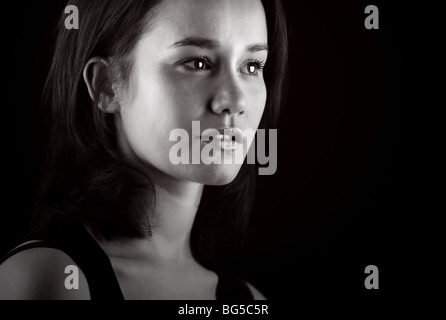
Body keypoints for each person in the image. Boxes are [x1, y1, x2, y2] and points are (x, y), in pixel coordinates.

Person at [0, 0, 288, 300]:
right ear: (107, 86)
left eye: (252, 66)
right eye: (198, 63)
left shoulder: (248, 301)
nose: (236, 100)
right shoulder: (51, 280)